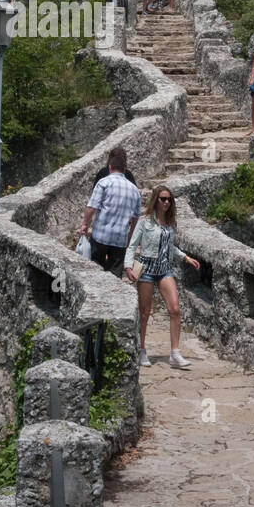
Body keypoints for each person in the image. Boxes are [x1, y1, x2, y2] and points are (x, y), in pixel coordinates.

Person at [124, 186, 200, 369]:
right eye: (163, 199)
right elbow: (132, 246)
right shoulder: (144, 222)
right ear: (155, 200)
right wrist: (128, 266)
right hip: (147, 269)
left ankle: (175, 354)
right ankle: (141, 350)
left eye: (169, 200)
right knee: (144, 313)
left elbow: (169, 247)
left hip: (165, 269)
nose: (166, 202)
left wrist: (185, 257)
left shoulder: (170, 223)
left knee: (175, 309)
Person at [81, 146, 142, 277]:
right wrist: (130, 235)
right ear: (125, 169)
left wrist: (85, 224)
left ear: (109, 167)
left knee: (95, 270)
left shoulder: (103, 182)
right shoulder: (134, 189)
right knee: (115, 275)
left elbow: (92, 207)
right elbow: (136, 216)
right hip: (120, 238)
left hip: (100, 236)